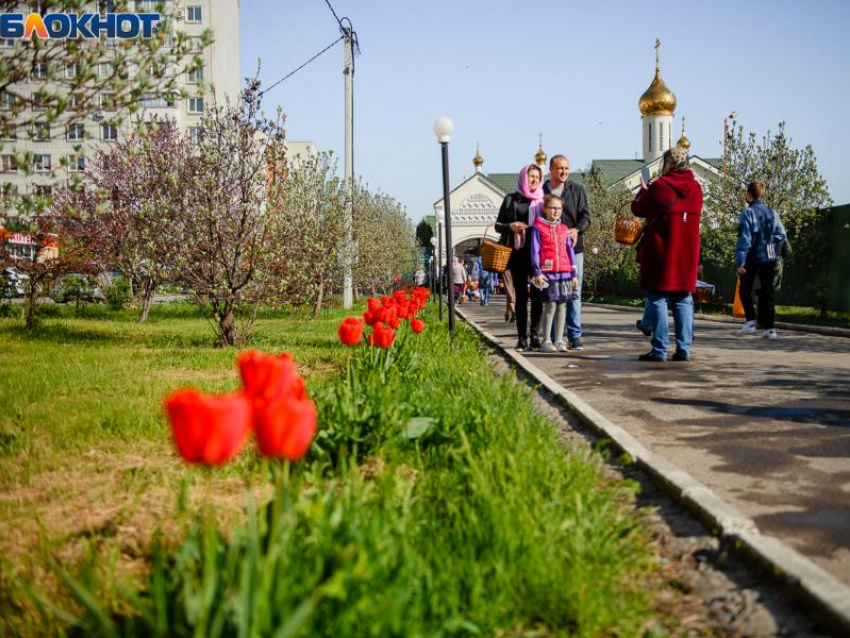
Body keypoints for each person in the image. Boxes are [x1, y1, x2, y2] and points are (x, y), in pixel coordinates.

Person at [631, 146, 703, 362]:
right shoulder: (696, 188)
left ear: (668, 164)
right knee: (683, 298)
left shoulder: (660, 186)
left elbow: (638, 209)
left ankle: (659, 349)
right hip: (688, 252)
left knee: (657, 297)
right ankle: (683, 348)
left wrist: (644, 190)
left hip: (661, 252)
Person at [543, 155, 591, 350]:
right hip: (550, 251)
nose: (563, 172)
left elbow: (586, 216)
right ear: (551, 169)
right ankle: (554, 337)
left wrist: (576, 229)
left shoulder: (576, 190)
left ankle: (574, 335)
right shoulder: (542, 192)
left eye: (566, 168)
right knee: (552, 294)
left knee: (574, 292)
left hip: (573, 250)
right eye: (560, 168)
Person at [494, 164, 544, 351]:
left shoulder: (542, 200)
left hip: (538, 254)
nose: (534, 180)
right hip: (518, 252)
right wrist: (511, 226)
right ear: (524, 177)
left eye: (537, 177)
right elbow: (498, 225)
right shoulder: (511, 199)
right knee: (521, 296)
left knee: (539, 295)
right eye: (531, 176)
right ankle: (522, 337)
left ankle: (535, 335)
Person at [734, 181, 787, 339]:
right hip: (769, 257)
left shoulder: (747, 213)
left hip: (752, 256)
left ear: (749, 195)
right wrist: (771, 246)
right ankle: (770, 329)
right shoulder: (773, 213)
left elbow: (744, 239)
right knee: (767, 292)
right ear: (763, 194)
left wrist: (740, 262)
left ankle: (750, 322)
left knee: (745, 289)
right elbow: (781, 235)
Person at [530, 194, 577, 352]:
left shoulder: (564, 229)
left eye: (559, 208)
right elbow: (535, 251)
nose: (556, 211)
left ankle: (559, 340)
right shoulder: (538, 227)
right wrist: (537, 271)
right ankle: (546, 340)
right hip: (547, 273)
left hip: (564, 272)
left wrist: (574, 273)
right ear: (545, 209)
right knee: (549, 305)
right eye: (553, 208)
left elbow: (570, 250)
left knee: (563, 305)